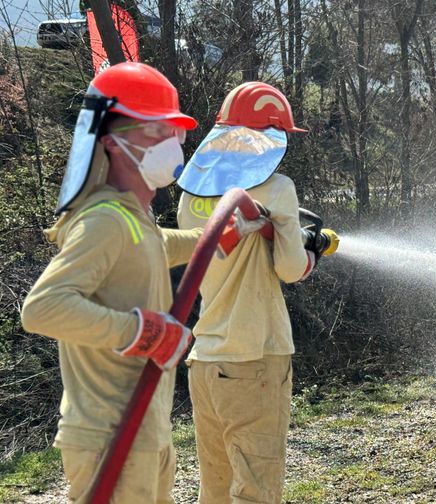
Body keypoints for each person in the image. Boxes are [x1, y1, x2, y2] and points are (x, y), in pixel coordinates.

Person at [20, 62, 262, 503]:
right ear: (114, 144)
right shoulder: (105, 222)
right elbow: (42, 308)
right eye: (157, 133)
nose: (172, 145)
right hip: (110, 433)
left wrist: (218, 238)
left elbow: (157, 246)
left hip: (142, 427)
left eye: (175, 134)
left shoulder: (134, 219)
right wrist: (141, 331)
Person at [175, 82, 314, 503]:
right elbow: (291, 269)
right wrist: (312, 250)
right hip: (254, 359)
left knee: (215, 488)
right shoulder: (276, 189)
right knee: (256, 491)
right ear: (269, 138)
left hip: (205, 362)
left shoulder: (191, 194)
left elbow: (216, 247)